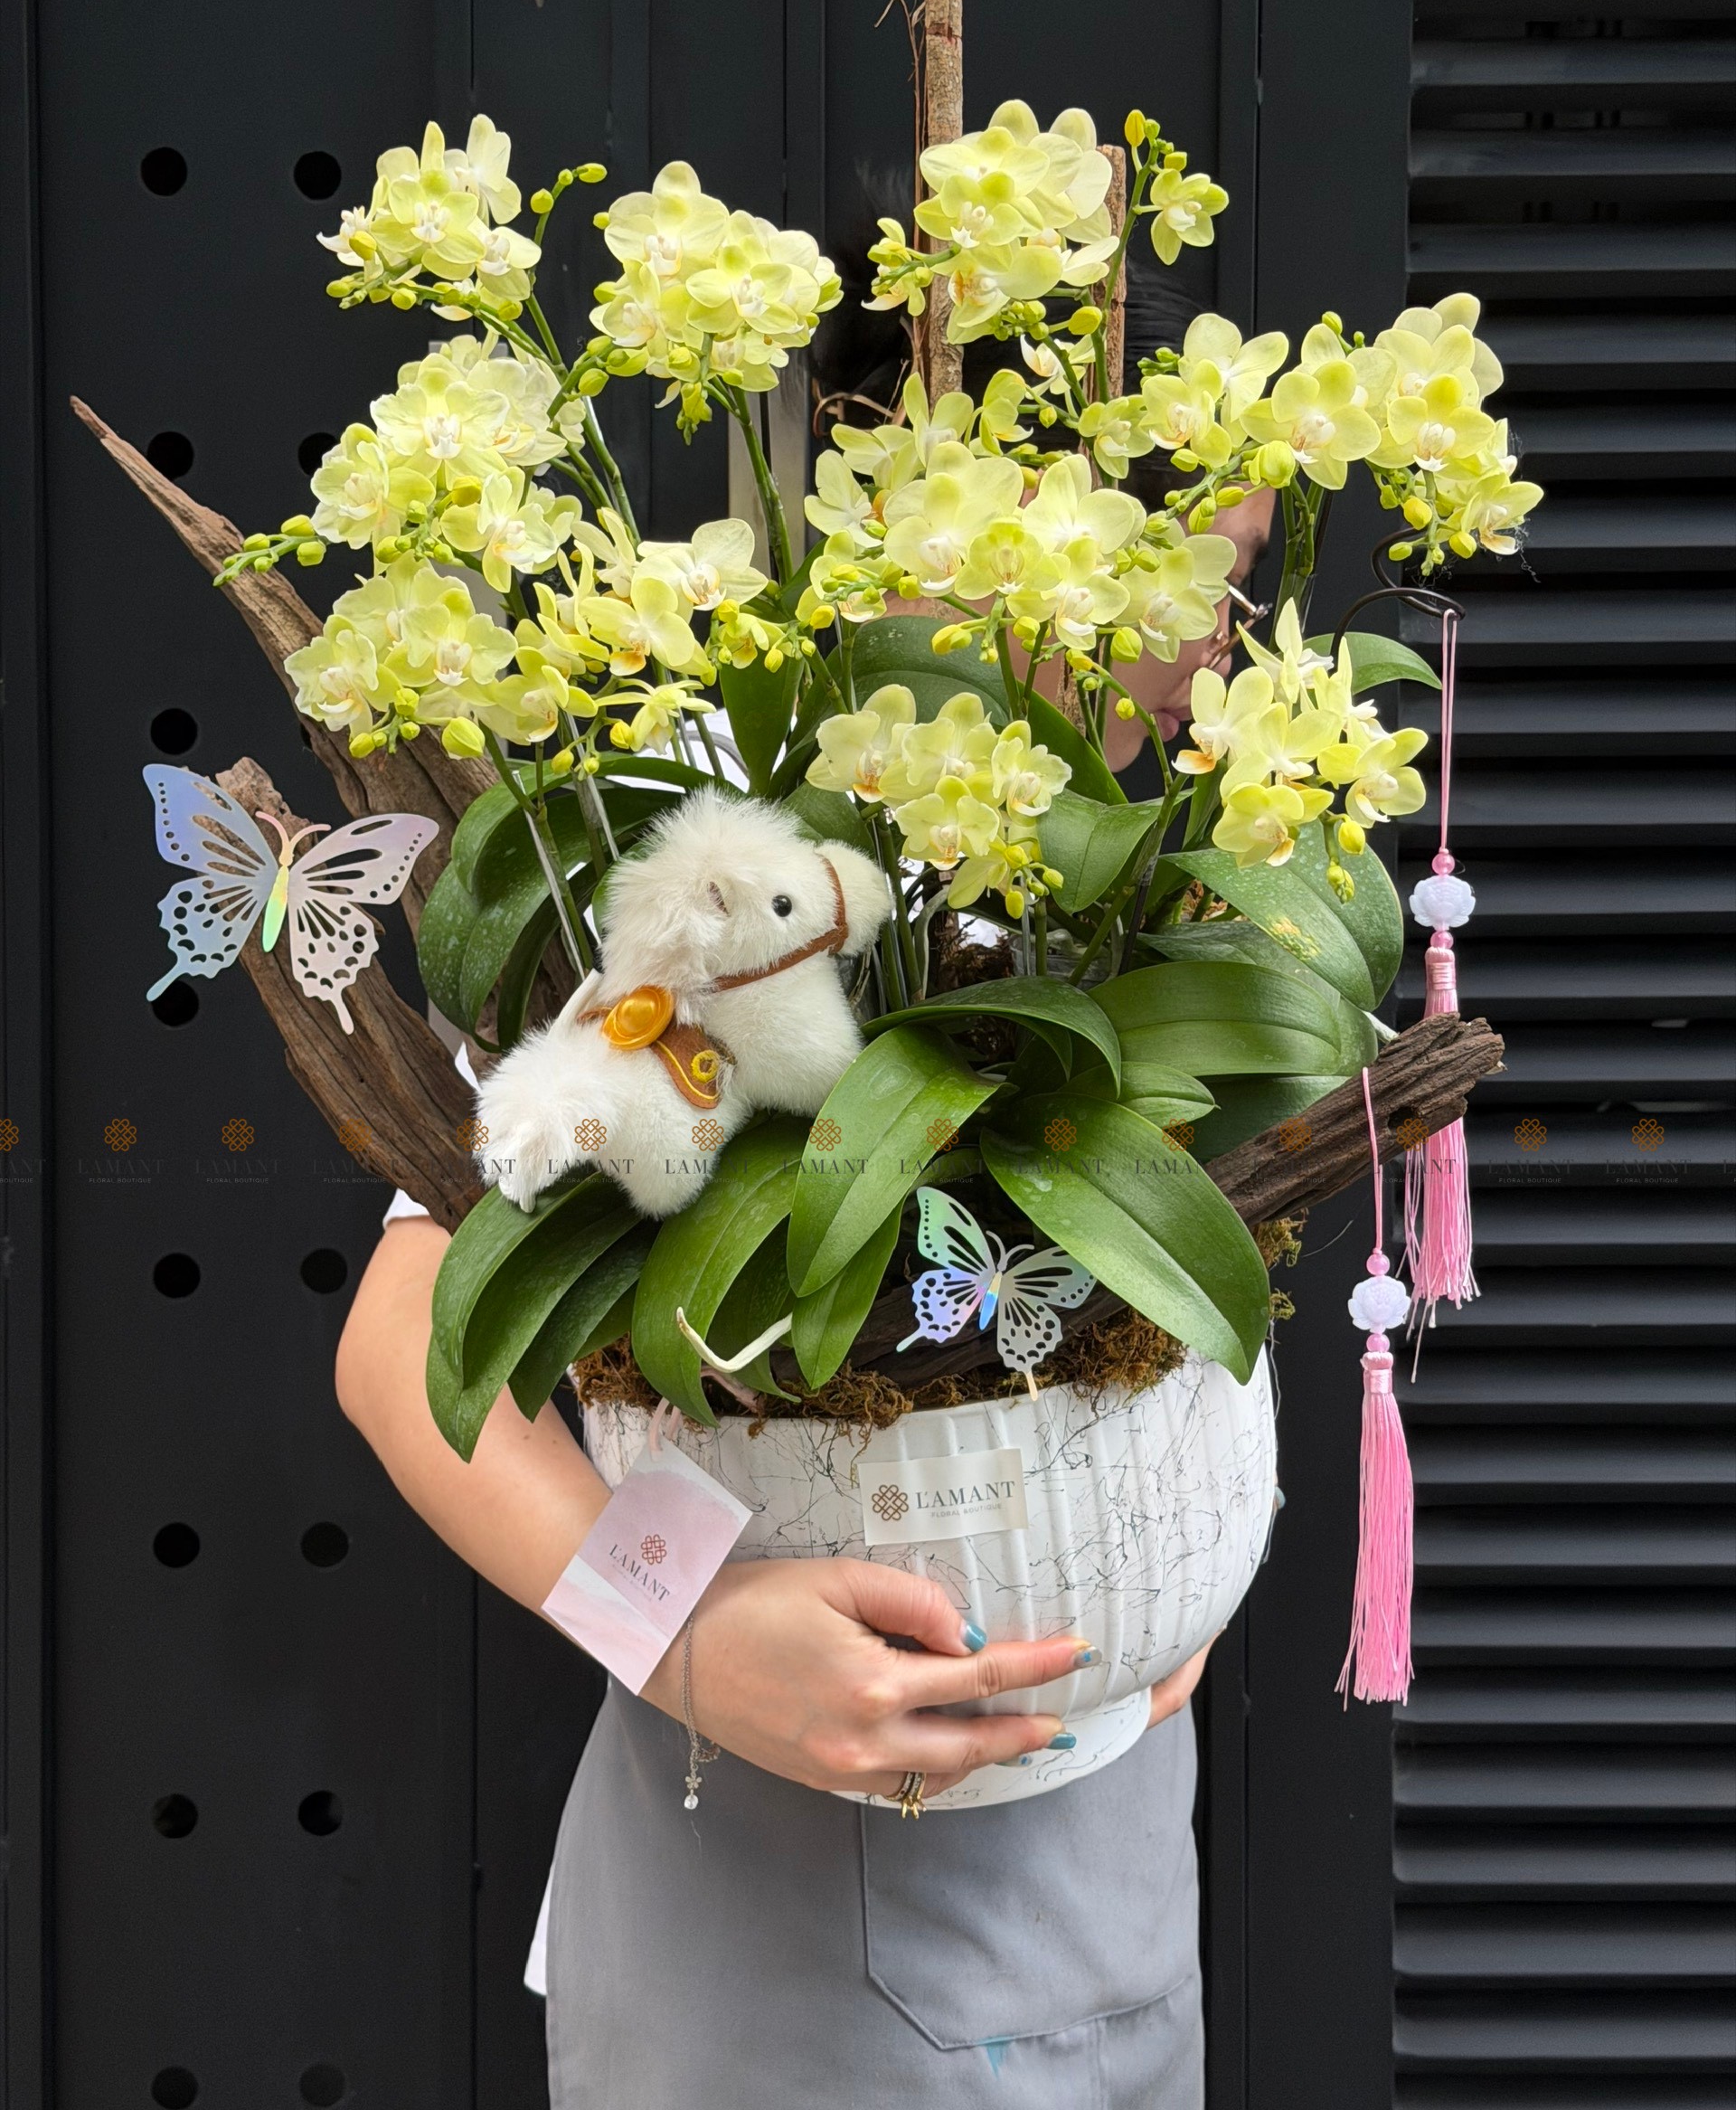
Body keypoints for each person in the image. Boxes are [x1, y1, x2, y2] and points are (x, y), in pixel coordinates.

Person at [335, 256, 1277, 2107]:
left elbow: (1199, 1275)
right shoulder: (726, 832)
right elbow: (404, 1341)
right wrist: (677, 1635)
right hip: (771, 1885)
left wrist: (1181, 1554)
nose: (1191, 620)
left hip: (1100, 1853)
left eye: (1210, 561)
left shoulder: (1192, 837)